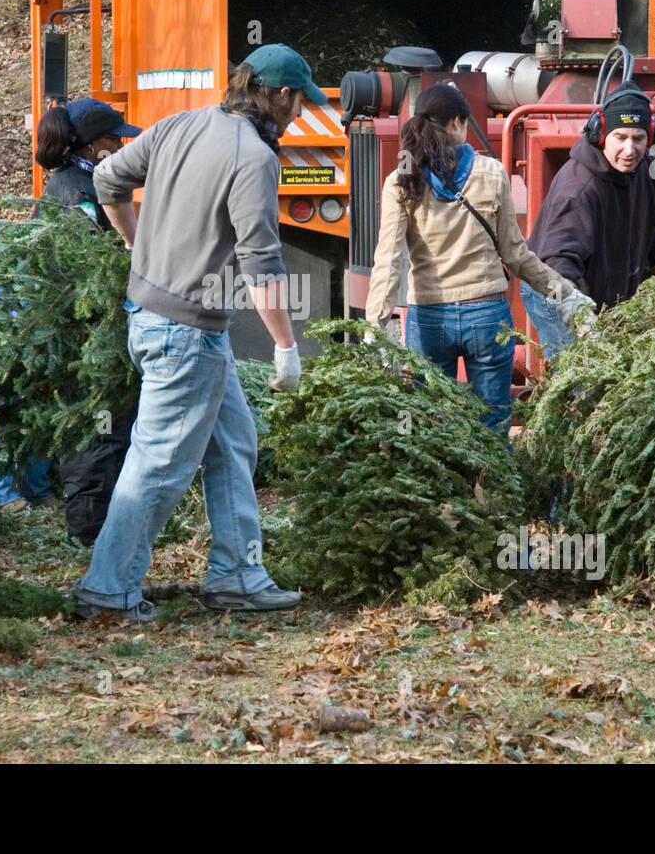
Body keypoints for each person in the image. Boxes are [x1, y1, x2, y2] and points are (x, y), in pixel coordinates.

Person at [74, 43, 317, 623]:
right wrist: (287, 347)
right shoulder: (254, 156)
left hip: (167, 324)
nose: (300, 114)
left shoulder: (179, 124)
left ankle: (237, 575)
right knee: (158, 464)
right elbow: (262, 262)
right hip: (185, 335)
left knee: (233, 444)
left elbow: (106, 179)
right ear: (279, 94)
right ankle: (107, 590)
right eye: (299, 102)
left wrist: (138, 247)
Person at [365, 82, 592, 434]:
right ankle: (492, 487)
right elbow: (516, 255)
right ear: (457, 122)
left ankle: (441, 487)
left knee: (429, 426)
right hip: (486, 317)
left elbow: (388, 262)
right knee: (492, 423)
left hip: (428, 319)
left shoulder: (401, 181)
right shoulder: (491, 173)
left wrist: (375, 328)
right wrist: (564, 293)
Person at [31, 97, 145, 546]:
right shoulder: (77, 189)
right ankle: (89, 535)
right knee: (99, 433)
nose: (121, 144)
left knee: (105, 428)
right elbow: (87, 269)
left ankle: (98, 527)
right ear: (92, 142)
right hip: (86, 333)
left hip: (88, 328)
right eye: (114, 137)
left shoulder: (75, 180)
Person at [520, 81, 655, 361]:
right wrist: (578, 314)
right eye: (620, 137)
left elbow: (644, 220)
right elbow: (558, 261)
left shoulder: (643, 169)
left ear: (652, 137)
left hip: (599, 288)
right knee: (581, 378)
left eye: (638, 138)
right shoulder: (579, 189)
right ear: (600, 135)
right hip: (555, 288)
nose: (630, 149)